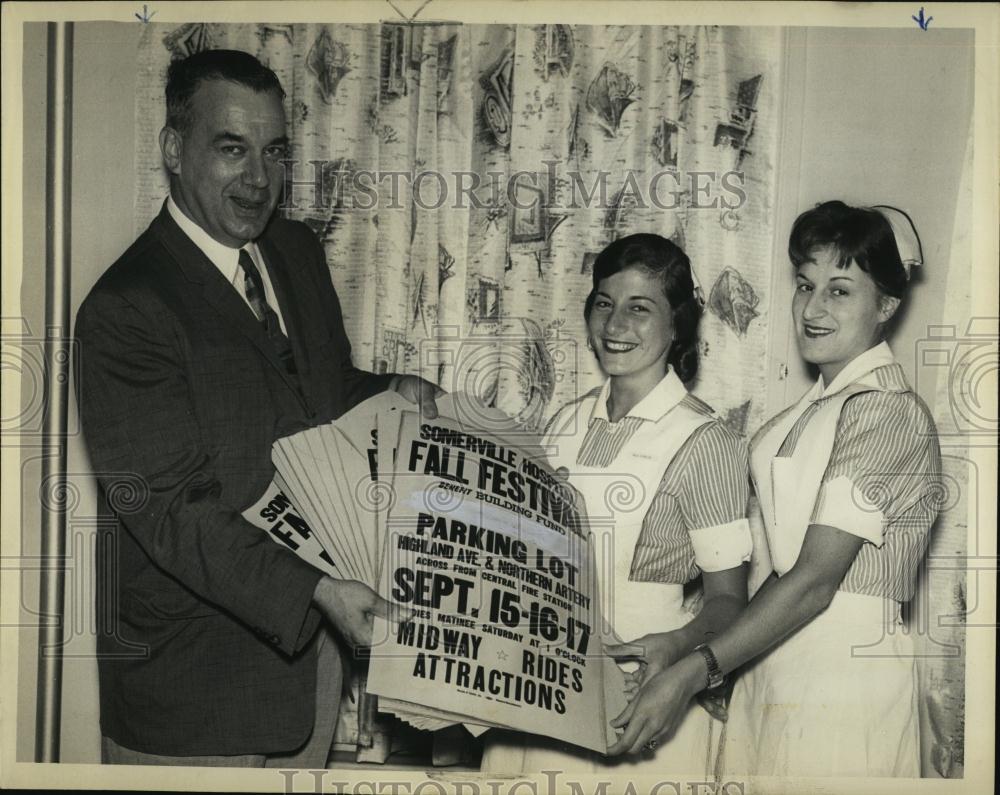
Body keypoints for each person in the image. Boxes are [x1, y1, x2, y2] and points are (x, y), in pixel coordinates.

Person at [75, 49, 438, 767]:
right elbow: (174, 512)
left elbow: (319, 387)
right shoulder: (125, 310)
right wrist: (321, 591)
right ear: (174, 150)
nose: (259, 180)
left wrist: (391, 388)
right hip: (192, 696)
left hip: (308, 674)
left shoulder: (295, 249)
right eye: (232, 149)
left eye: (274, 152)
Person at [608, 202, 942, 778]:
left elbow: (814, 581)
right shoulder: (808, 411)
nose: (811, 308)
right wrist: (709, 658)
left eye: (840, 291)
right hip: (772, 661)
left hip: (845, 675)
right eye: (805, 285)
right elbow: (781, 572)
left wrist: (697, 670)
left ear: (886, 304)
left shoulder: (890, 412)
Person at [480, 233, 753, 776]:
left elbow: (730, 602)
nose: (615, 325)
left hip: (640, 703)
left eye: (640, 308)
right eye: (604, 303)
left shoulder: (707, 441)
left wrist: (675, 648)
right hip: (537, 692)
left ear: (677, 324)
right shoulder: (562, 423)